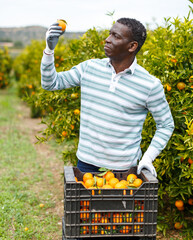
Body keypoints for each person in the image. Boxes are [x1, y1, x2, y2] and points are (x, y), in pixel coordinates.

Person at [41, 17, 174, 178]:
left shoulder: (149, 84)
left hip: (124, 171)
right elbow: (51, 83)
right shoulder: (89, 68)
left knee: (117, 204)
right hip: (85, 164)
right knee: (86, 204)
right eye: (109, 34)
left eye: (116, 36)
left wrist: (148, 157)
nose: (107, 39)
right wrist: (49, 50)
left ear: (132, 46)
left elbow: (166, 124)